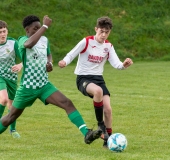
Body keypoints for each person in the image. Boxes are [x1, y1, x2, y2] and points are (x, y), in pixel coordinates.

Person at [0, 15, 102, 145]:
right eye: (35, 29)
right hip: (27, 88)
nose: (38, 31)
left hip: (44, 85)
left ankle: (86, 134)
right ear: (27, 29)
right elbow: (29, 44)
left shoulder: (44, 40)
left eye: (39, 28)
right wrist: (44, 26)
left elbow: (48, 54)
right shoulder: (22, 40)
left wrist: (50, 63)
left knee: (67, 103)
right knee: (10, 117)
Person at [58, 16, 133, 147]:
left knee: (108, 110)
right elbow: (71, 54)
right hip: (83, 78)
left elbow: (117, 64)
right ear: (96, 29)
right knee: (97, 91)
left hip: (99, 79)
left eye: (107, 32)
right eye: (101, 31)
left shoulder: (108, 46)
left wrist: (124, 65)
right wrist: (64, 61)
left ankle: (107, 141)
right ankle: (100, 125)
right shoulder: (87, 41)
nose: (104, 35)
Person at [0, 20, 22, 138]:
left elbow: (26, 58)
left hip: (12, 77)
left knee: (12, 106)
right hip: (0, 77)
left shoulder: (13, 43)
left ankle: (13, 130)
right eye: (0, 32)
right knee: (3, 99)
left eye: (4, 31)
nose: (3, 34)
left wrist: (20, 65)